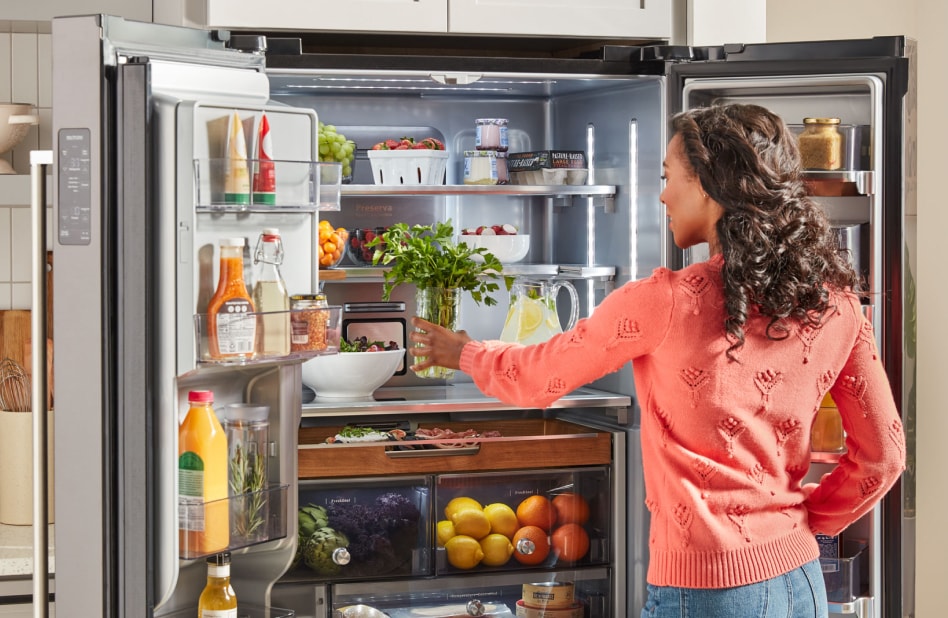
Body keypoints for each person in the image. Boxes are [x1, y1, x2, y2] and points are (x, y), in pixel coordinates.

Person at [409, 103, 906, 618]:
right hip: (801, 583)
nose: (663, 194)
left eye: (669, 177)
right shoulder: (837, 303)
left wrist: (464, 352)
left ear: (709, 187)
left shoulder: (665, 301)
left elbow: (537, 378)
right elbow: (884, 456)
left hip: (707, 589)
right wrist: (805, 521)